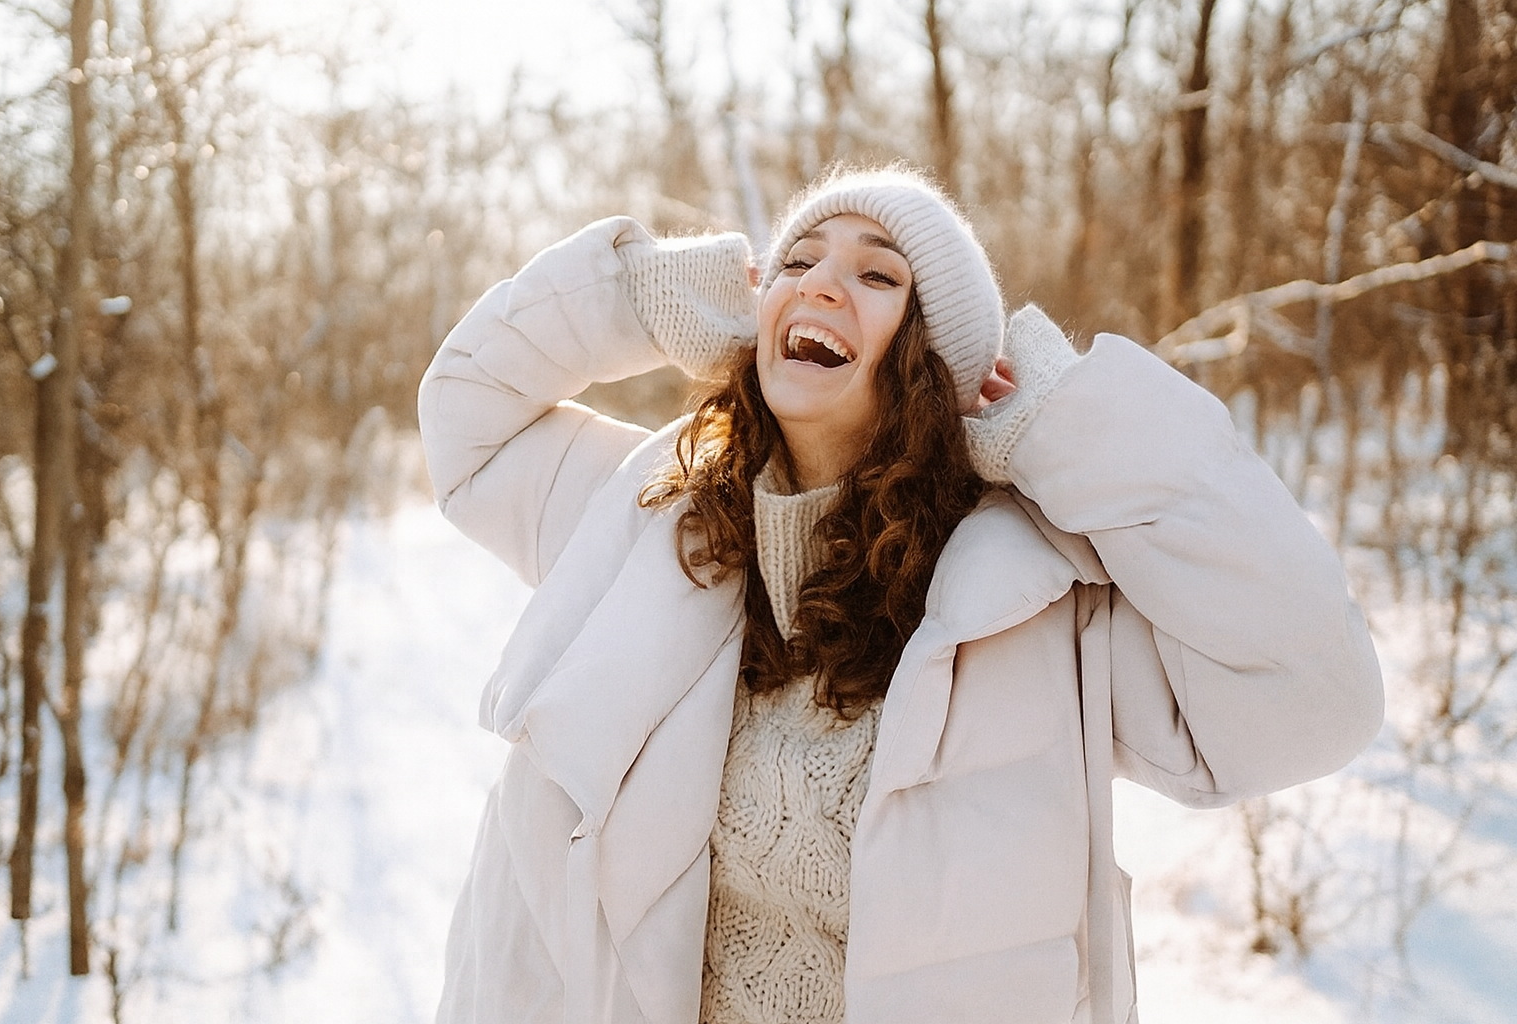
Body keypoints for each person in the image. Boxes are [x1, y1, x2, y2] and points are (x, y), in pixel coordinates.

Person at [417, 164, 1383, 1024]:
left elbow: (1312, 701)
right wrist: (646, 293)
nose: (821, 281)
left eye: (878, 274)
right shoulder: (646, 514)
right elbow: (466, 416)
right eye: (795, 262)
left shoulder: (1036, 600)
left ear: (932, 357)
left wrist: (1070, 424)